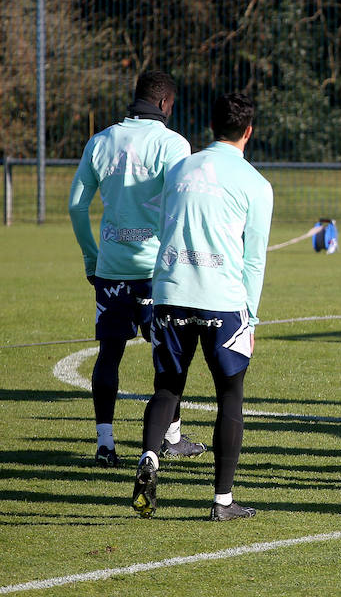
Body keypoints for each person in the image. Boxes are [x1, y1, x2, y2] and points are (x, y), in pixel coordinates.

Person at [132, 92, 274, 521]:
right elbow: (254, 258)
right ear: (248, 131)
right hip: (223, 301)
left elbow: (162, 229)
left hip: (171, 294)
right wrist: (250, 314)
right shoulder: (255, 182)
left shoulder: (178, 169)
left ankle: (150, 457)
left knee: (167, 387)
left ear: (211, 126)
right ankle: (222, 502)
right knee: (230, 396)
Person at [68, 71, 204, 468]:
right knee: (167, 355)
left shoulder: (101, 140)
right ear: (164, 104)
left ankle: (105, 444)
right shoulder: (172, 143)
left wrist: (91, 257)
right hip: (157, 271)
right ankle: (170, 438)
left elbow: (77, 206)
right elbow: (183, 204)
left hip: (111, 267)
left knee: (109, 354)